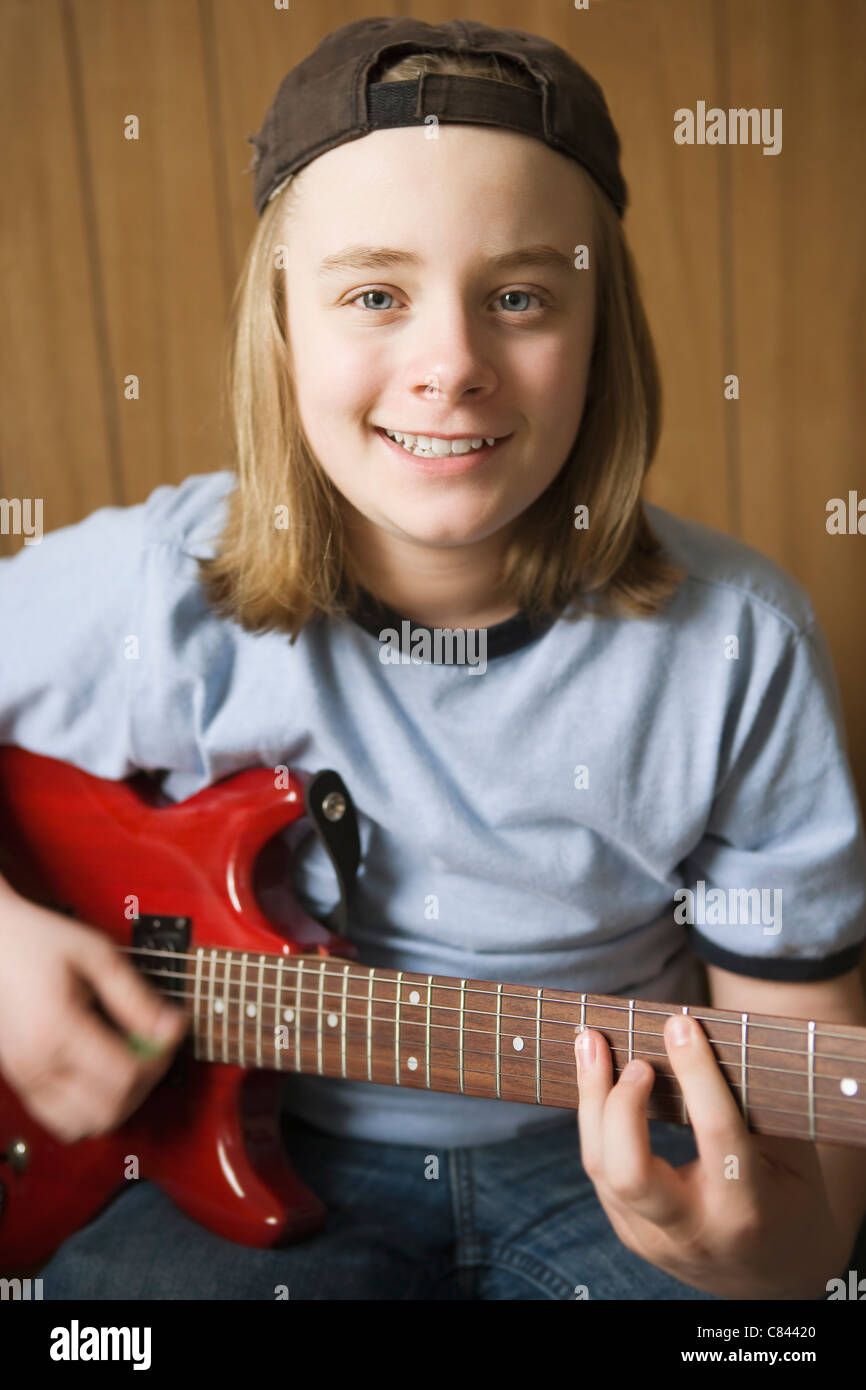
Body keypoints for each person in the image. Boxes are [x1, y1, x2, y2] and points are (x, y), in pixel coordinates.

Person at [1, 17, 865, 1301]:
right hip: (207, 1160)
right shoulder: (146, 589)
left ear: (600, 336)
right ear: (281, 334)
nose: (449, 365)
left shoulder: (739, 644)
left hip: (604, 1165)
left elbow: (809, 1195)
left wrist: (757, 1254)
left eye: (518, 297)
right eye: (372, 296)